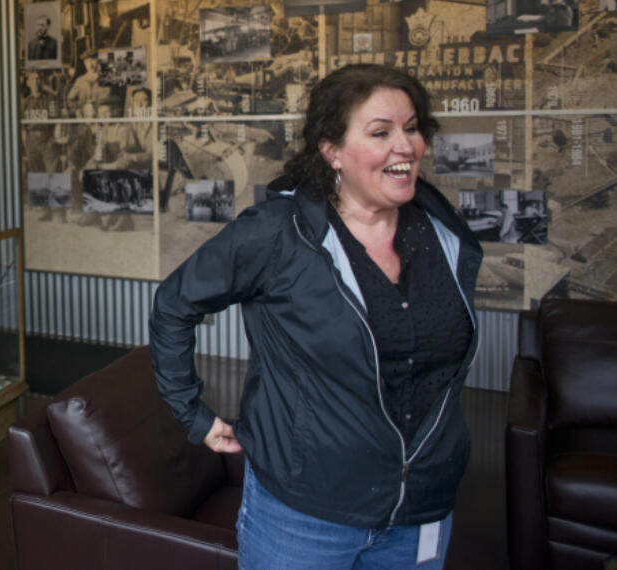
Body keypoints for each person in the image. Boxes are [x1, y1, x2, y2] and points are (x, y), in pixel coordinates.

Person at [150, 64, 481, 570]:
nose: (406, 146)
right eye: (380, 132)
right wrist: (193, 413)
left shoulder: (442, 232)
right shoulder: (279, 234)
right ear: (331, 152)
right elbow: (175, 303)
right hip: (303, 515)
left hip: (421, 509)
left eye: (411, 128)